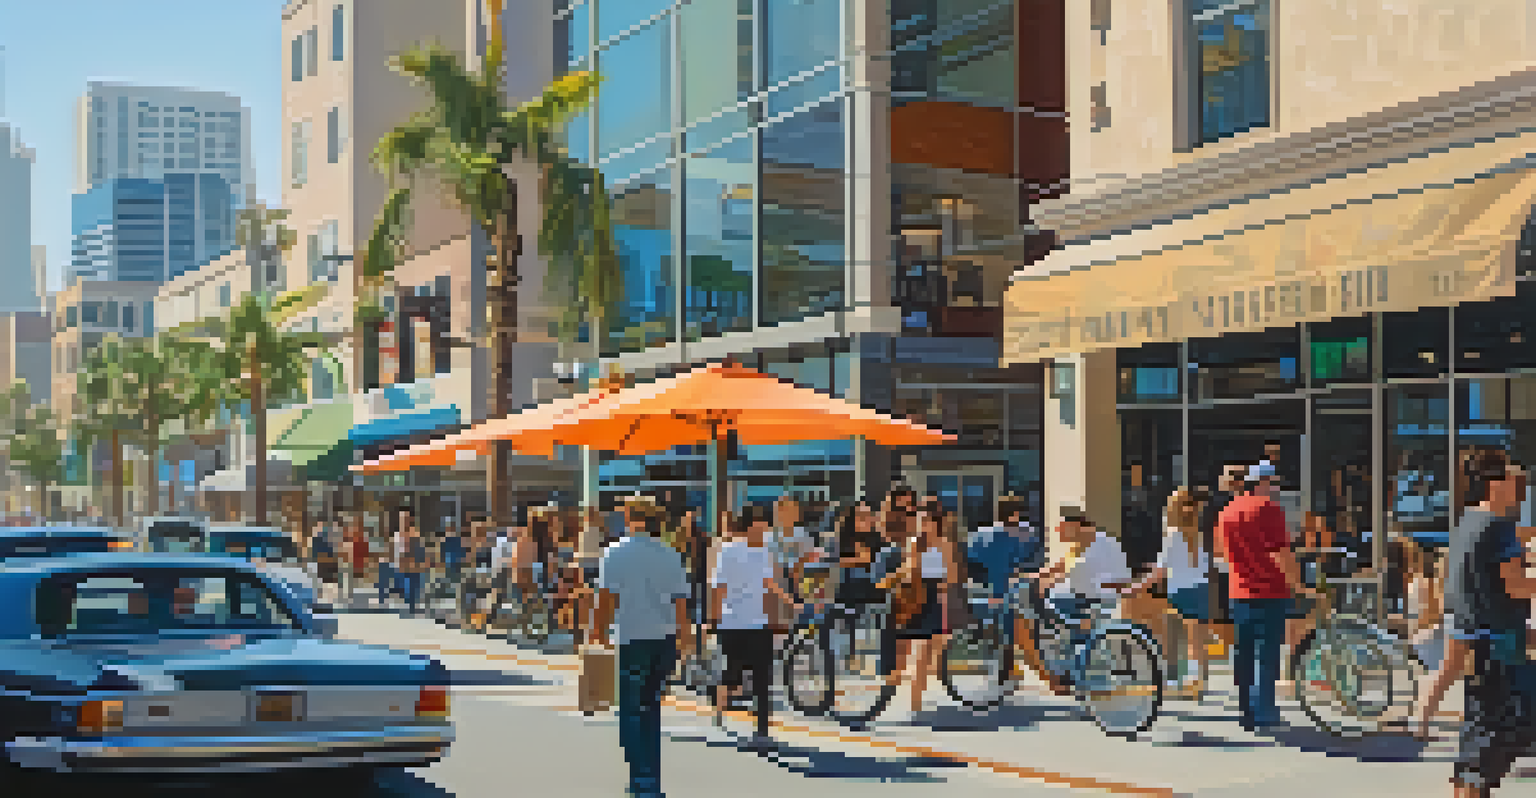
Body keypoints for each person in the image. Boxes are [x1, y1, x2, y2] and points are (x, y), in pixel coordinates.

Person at [1444, 448, 1536, 797]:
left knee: (1482, 723)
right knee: (1509, 724)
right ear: (1495, 484)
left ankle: (1467, 785)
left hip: (1478, 636)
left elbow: (1479, 585)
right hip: (1497, 642)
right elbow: (1514, 585)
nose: (1521, 486)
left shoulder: (1468, 520)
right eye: (1515, 479)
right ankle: (1471, 787)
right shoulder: (1499, 526)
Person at [593, 498, 692, 798]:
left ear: (630, 518)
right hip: (664, 639)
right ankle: (651, 776)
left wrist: (597, 634)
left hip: (631, 637)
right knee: (651, 709)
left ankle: (639, 776)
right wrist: (684, 643)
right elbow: (681, 605)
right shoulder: (670, 554)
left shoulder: (615, 553)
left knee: (630, 710)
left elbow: (606, 599)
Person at [1217, 461, 1313, 732]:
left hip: (1239, 591)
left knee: (1244, 654)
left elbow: (1223, 553)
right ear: (1260, 483)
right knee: (1268, 655)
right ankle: (1265, 713)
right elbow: (1282, 553)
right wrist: (1298, 585)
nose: (1276, 488)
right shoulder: (1268, 509)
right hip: (1270, 591)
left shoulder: (1227, 511)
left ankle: (1247, 712)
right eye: (1273, 482)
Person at [1125, 487, 1233, 698]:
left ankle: (1172, 679)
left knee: (1171, 638)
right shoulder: (1205, 535)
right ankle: (1197, 682)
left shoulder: (1173, 535)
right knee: (1197, 640)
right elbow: (1219, 563)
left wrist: (1137, 587)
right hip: (1202, 589)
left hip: (1179, 591)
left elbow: (1161, 571)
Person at [709, 504, 790, 747]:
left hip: (758, 622)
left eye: (765, 524)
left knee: (762, 678)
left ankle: (762, 730)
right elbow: (718, 587)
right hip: (732, 621)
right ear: (748, 526)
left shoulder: (764, 551)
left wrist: (784, 606)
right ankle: (720, 711)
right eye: (759, 524)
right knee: (733, 676)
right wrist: (713, 619)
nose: (764, 528)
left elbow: (767, 584)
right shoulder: (729, 551)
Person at [879, 498, 960, 719]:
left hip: (935, 597)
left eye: (925, 518)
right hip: (915, 596)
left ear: (935, 521)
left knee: (929, 653)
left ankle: (915, 703)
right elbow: (909, 569)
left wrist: (943, 585)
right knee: (910, 653)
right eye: (919, 518)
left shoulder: (944, 544)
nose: (921, 522)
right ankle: (897, 702)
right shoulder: (915, 542)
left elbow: (952, 575)